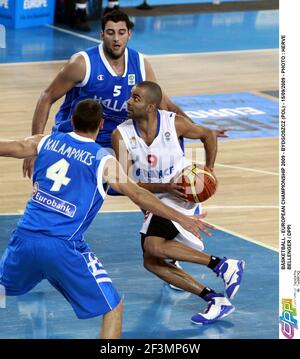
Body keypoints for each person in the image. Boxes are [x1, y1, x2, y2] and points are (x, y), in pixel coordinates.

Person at [0, 99, 213, 338]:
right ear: (101, 125)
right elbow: (139, 195)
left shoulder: (44, 141)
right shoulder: (103, 160)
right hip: (63, 247)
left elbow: (8, 146)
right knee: (113, 308)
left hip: (23, 239)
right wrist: (182, 219)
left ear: (71, 121)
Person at [112, 81, 245, 324]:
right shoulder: (120, 135)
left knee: (153, 247)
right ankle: (215, 299)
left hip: (182, 194)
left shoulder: (174, 123)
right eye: (131, 97)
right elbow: (128, 184)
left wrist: (209, 172)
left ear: (151, 107)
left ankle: (223, 265)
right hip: (155, 197)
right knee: (151, 262)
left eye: (136, 98)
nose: (129, 102)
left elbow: (207, 134)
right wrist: (163, 187)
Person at [23, 9, 189, 179]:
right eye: (110, 33)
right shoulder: (82, 63)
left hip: (119, 139)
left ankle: (154, 203)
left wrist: (196, 128)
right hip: (80, 136)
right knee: (80, 189)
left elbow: (163, 103)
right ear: (102, 34)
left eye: (121, 32)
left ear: (129, 34)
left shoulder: (140, 64)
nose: (116, 38)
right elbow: (46, 97)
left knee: (155, 177)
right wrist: (34, 149)